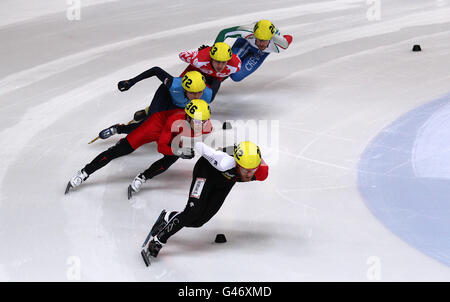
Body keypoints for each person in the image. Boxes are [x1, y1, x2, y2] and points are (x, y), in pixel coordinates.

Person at [140, 141, 269, 266]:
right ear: (236, 163)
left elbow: (251, 168)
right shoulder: (223, 161)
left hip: (225, 182)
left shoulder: (261, 172)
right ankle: (159, 239)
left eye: (253, 170)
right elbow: (199, 145)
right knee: (192, 212)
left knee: (198, 222)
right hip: (206, 171)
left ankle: (168, 217)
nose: (249, 174)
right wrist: (213, 152)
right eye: (245, 170)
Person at [65, 99, 213, 195]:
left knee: (171, 159)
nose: (200, 125)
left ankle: (143, 177)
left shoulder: (206, 126)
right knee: (119, 151)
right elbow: (161, 146)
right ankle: (84, 172)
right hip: (155, 127)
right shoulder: (175, 119)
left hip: (176, 133)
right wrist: (180, 150)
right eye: (197, 121)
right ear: (187, 117)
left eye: (204, 121)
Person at [99, 68, 219, 139]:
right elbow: (155, 70)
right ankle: (118, 129)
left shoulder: (208, 96)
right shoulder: (173, 84)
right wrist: (131, 81)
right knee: (147, 125)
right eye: (192, 93)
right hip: (165, 96)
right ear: (184, 89)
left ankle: (148, 111)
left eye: (199, 93)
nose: (196, 96)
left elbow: (218, 79)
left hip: (180, 106)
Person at [214, 19, 293, 82]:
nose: (261, 44)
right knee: (226, 62)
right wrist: (214, 49)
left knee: (236, 76)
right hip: (246, 42)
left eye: (264, 41)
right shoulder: (247, 31)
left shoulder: (280, 45)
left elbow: (288, 38)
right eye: (258, 39)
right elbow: (224, 33)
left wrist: (282, 37)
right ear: (254, 34)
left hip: (262, 52)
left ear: (271, 39)